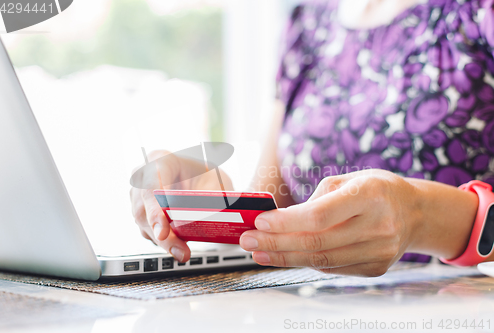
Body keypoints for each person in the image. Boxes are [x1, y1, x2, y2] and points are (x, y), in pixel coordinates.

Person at [130, 0, 494, 276]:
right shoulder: (309, 22)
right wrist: (211, 205)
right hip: (314, 312)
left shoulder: (479, 13)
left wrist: (420, 217)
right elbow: (276, 207)